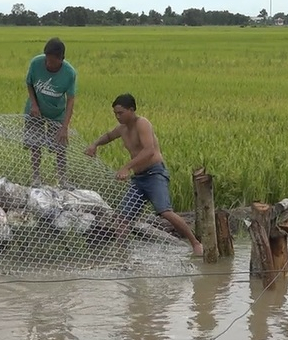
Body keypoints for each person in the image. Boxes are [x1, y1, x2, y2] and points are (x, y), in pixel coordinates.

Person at [85, 93, 203, 256]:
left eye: (121, 113)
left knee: (165, 211)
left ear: (131, 110)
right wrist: (95, 145)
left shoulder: (142, 124)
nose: (118, 117)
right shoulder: (122, 129)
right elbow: (108, 136)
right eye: (115, 114)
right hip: (138, 180)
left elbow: (149, 151)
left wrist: (126, 167)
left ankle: (195, 243)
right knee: (122, 219)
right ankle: (122, 254)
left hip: (154, 174)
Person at [23, 37, 77, 188]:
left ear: (61, 59)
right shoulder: (36, 63)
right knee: (35, 143)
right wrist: (34, 104)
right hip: (35, 110)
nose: (48, 64)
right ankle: (36, 178)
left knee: (60, 146)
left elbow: (71, 100)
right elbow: (29, 83)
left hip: (56, 112)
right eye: (47, 60)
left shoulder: (69, 73)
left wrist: (64, 127)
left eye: (52, 62)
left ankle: (62, 179)